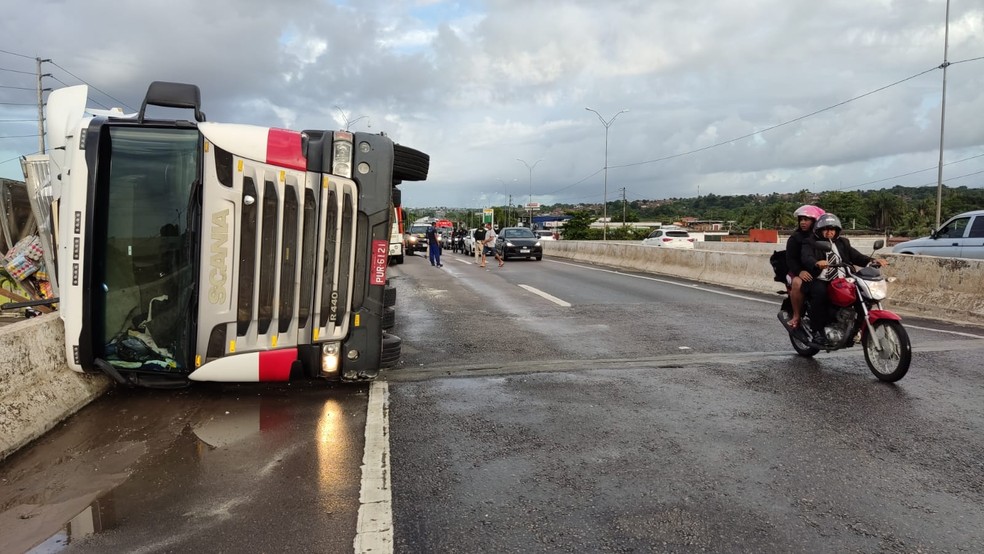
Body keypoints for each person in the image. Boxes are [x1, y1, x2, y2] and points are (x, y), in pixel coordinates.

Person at [801, 214, 888, 342]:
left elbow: (856, 256)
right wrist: (816, 263)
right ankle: (817, 331)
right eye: (826, 229)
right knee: (820, 294)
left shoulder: (843, 242)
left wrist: (873, 261)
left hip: (843, 279)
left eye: (832, 229)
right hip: (821, 278)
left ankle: (855, 329)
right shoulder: (810, 242)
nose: (830, 232)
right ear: (819, 230)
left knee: (864, 296)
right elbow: (806, 257)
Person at [785, 204, 825, 329]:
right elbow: (790, 259)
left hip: (816, 271)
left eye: (806, 219)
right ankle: (796, 316)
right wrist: (799, 271)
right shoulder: (795, 238)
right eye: (801, 219)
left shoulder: (821, 237)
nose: (803, 222)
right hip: (797, 271)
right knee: (797, 283)